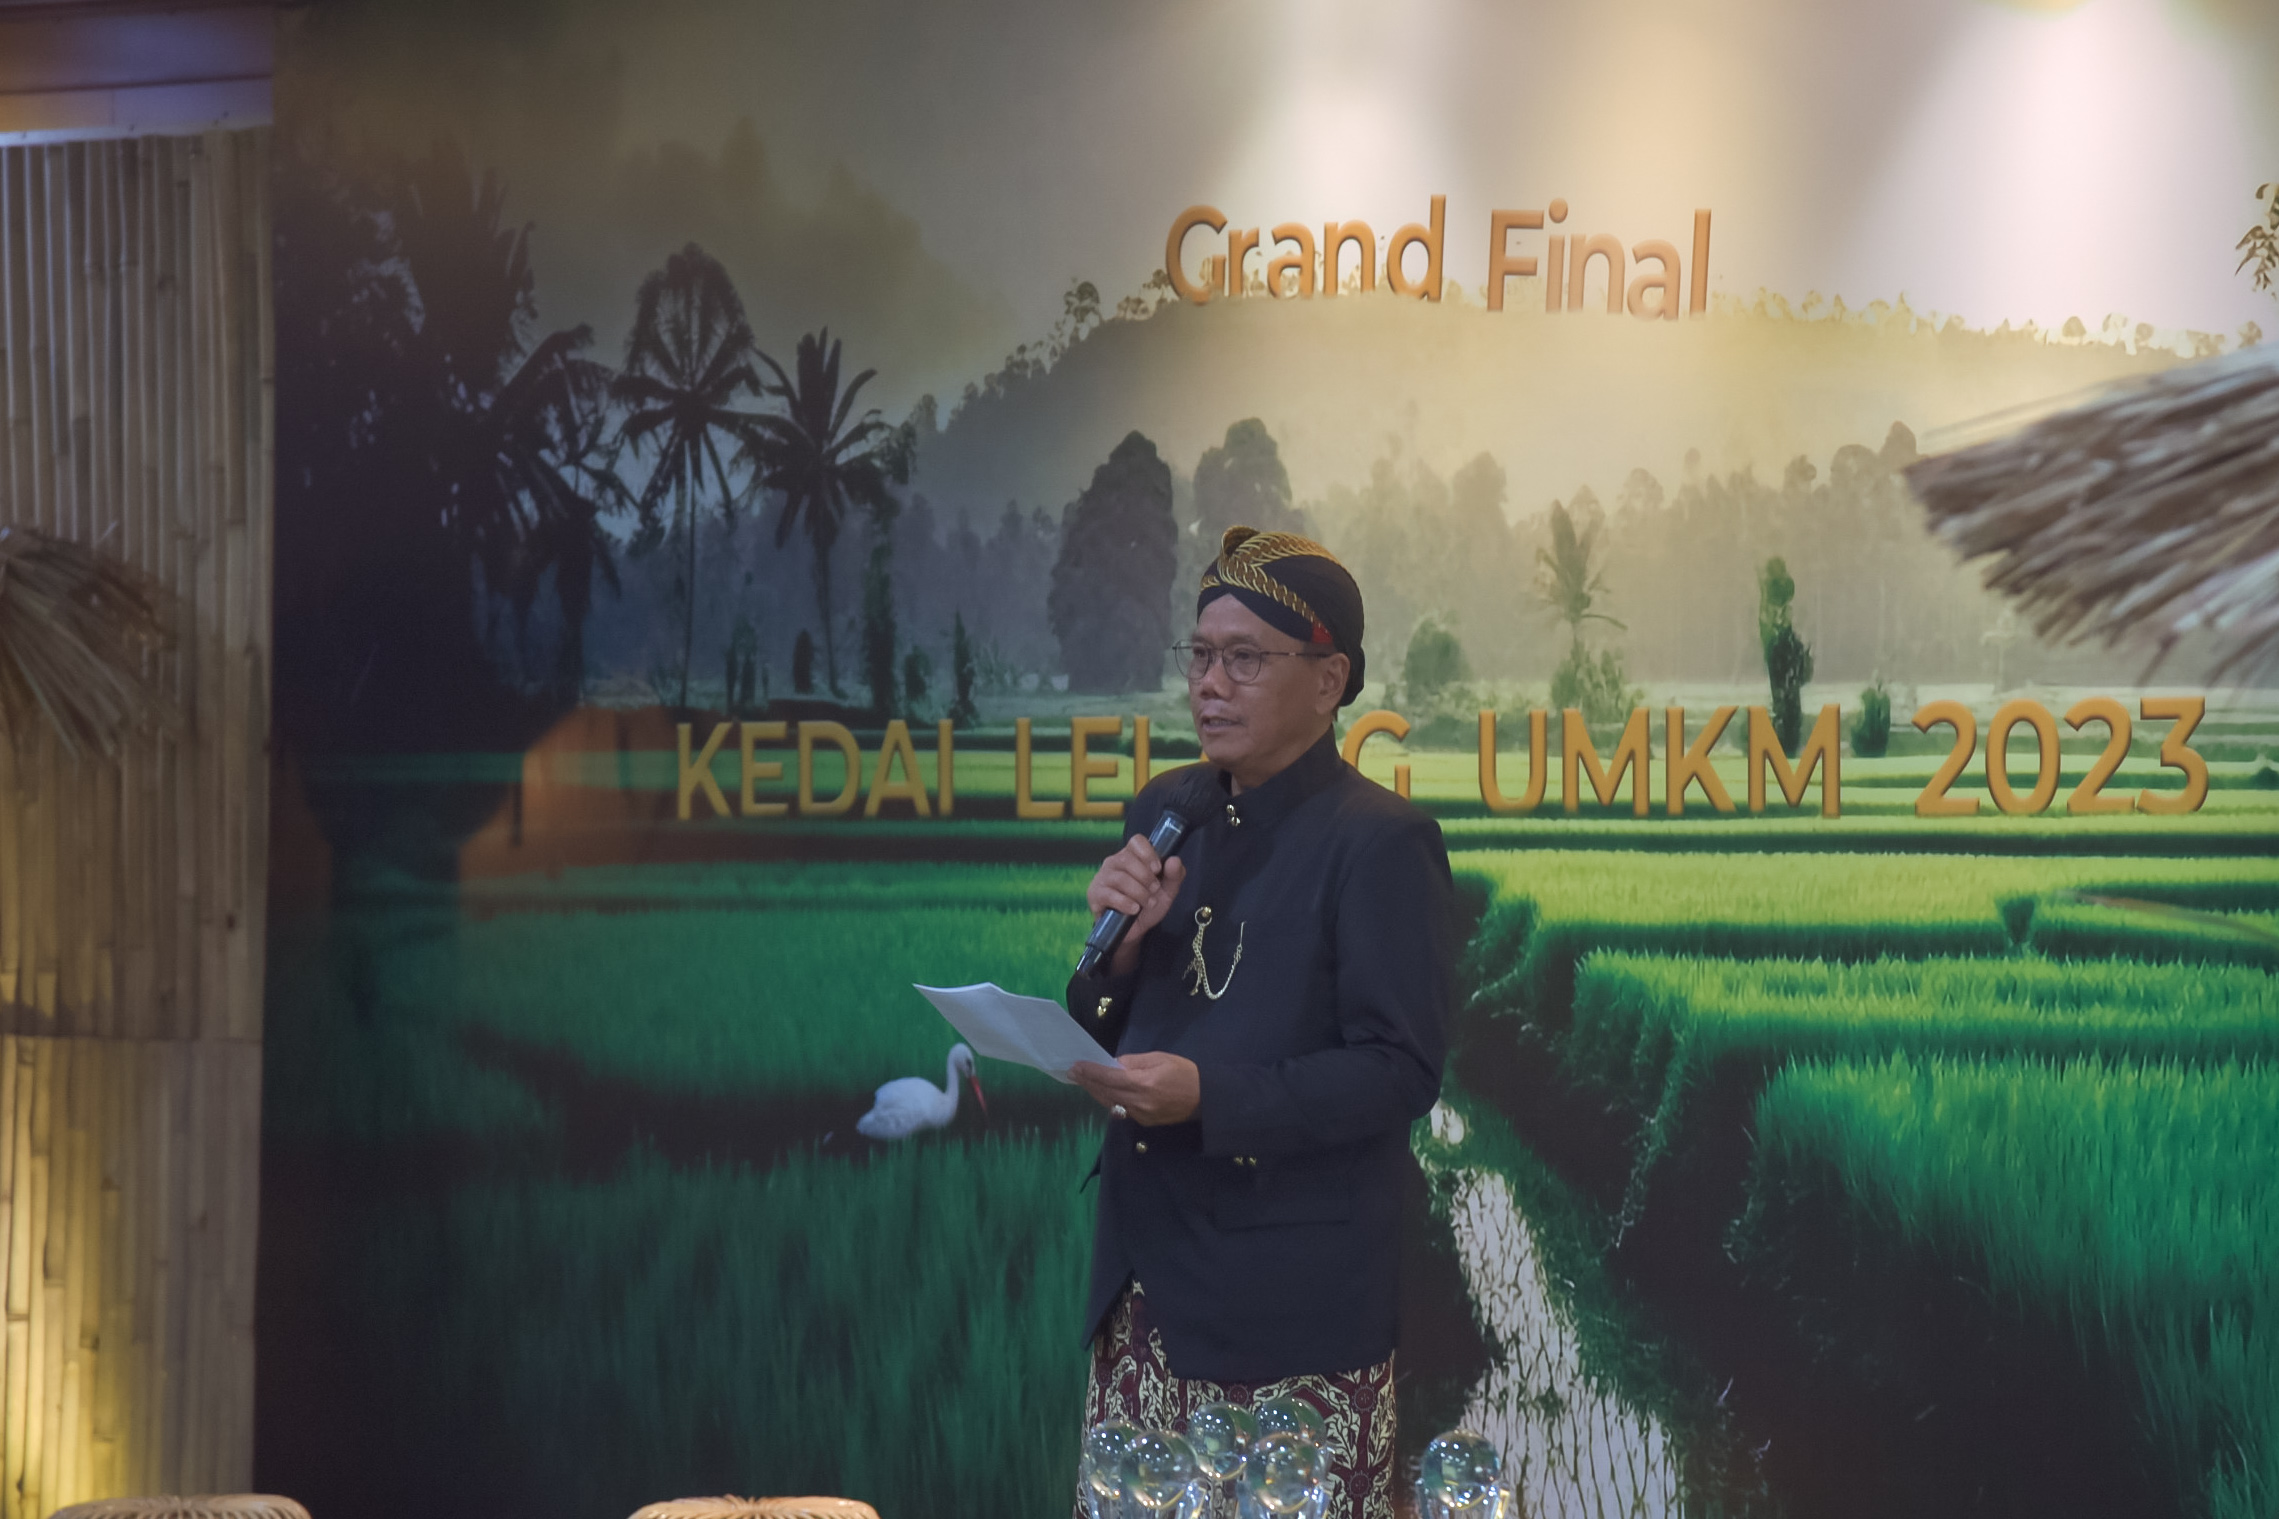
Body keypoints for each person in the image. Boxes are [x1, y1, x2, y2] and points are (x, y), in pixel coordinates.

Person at [1065, 526, 1457, 1519]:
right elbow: (1109, 1019)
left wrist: (1209, 1097)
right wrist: (1114, 954)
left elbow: (1398, 1069)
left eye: (1244, 658)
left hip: (1291, 1311)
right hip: (1145, 1289)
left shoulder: (1380, 842)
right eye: (1200, 655)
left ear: (1328, 680)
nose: (1209, 684)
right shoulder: (1167, 810)